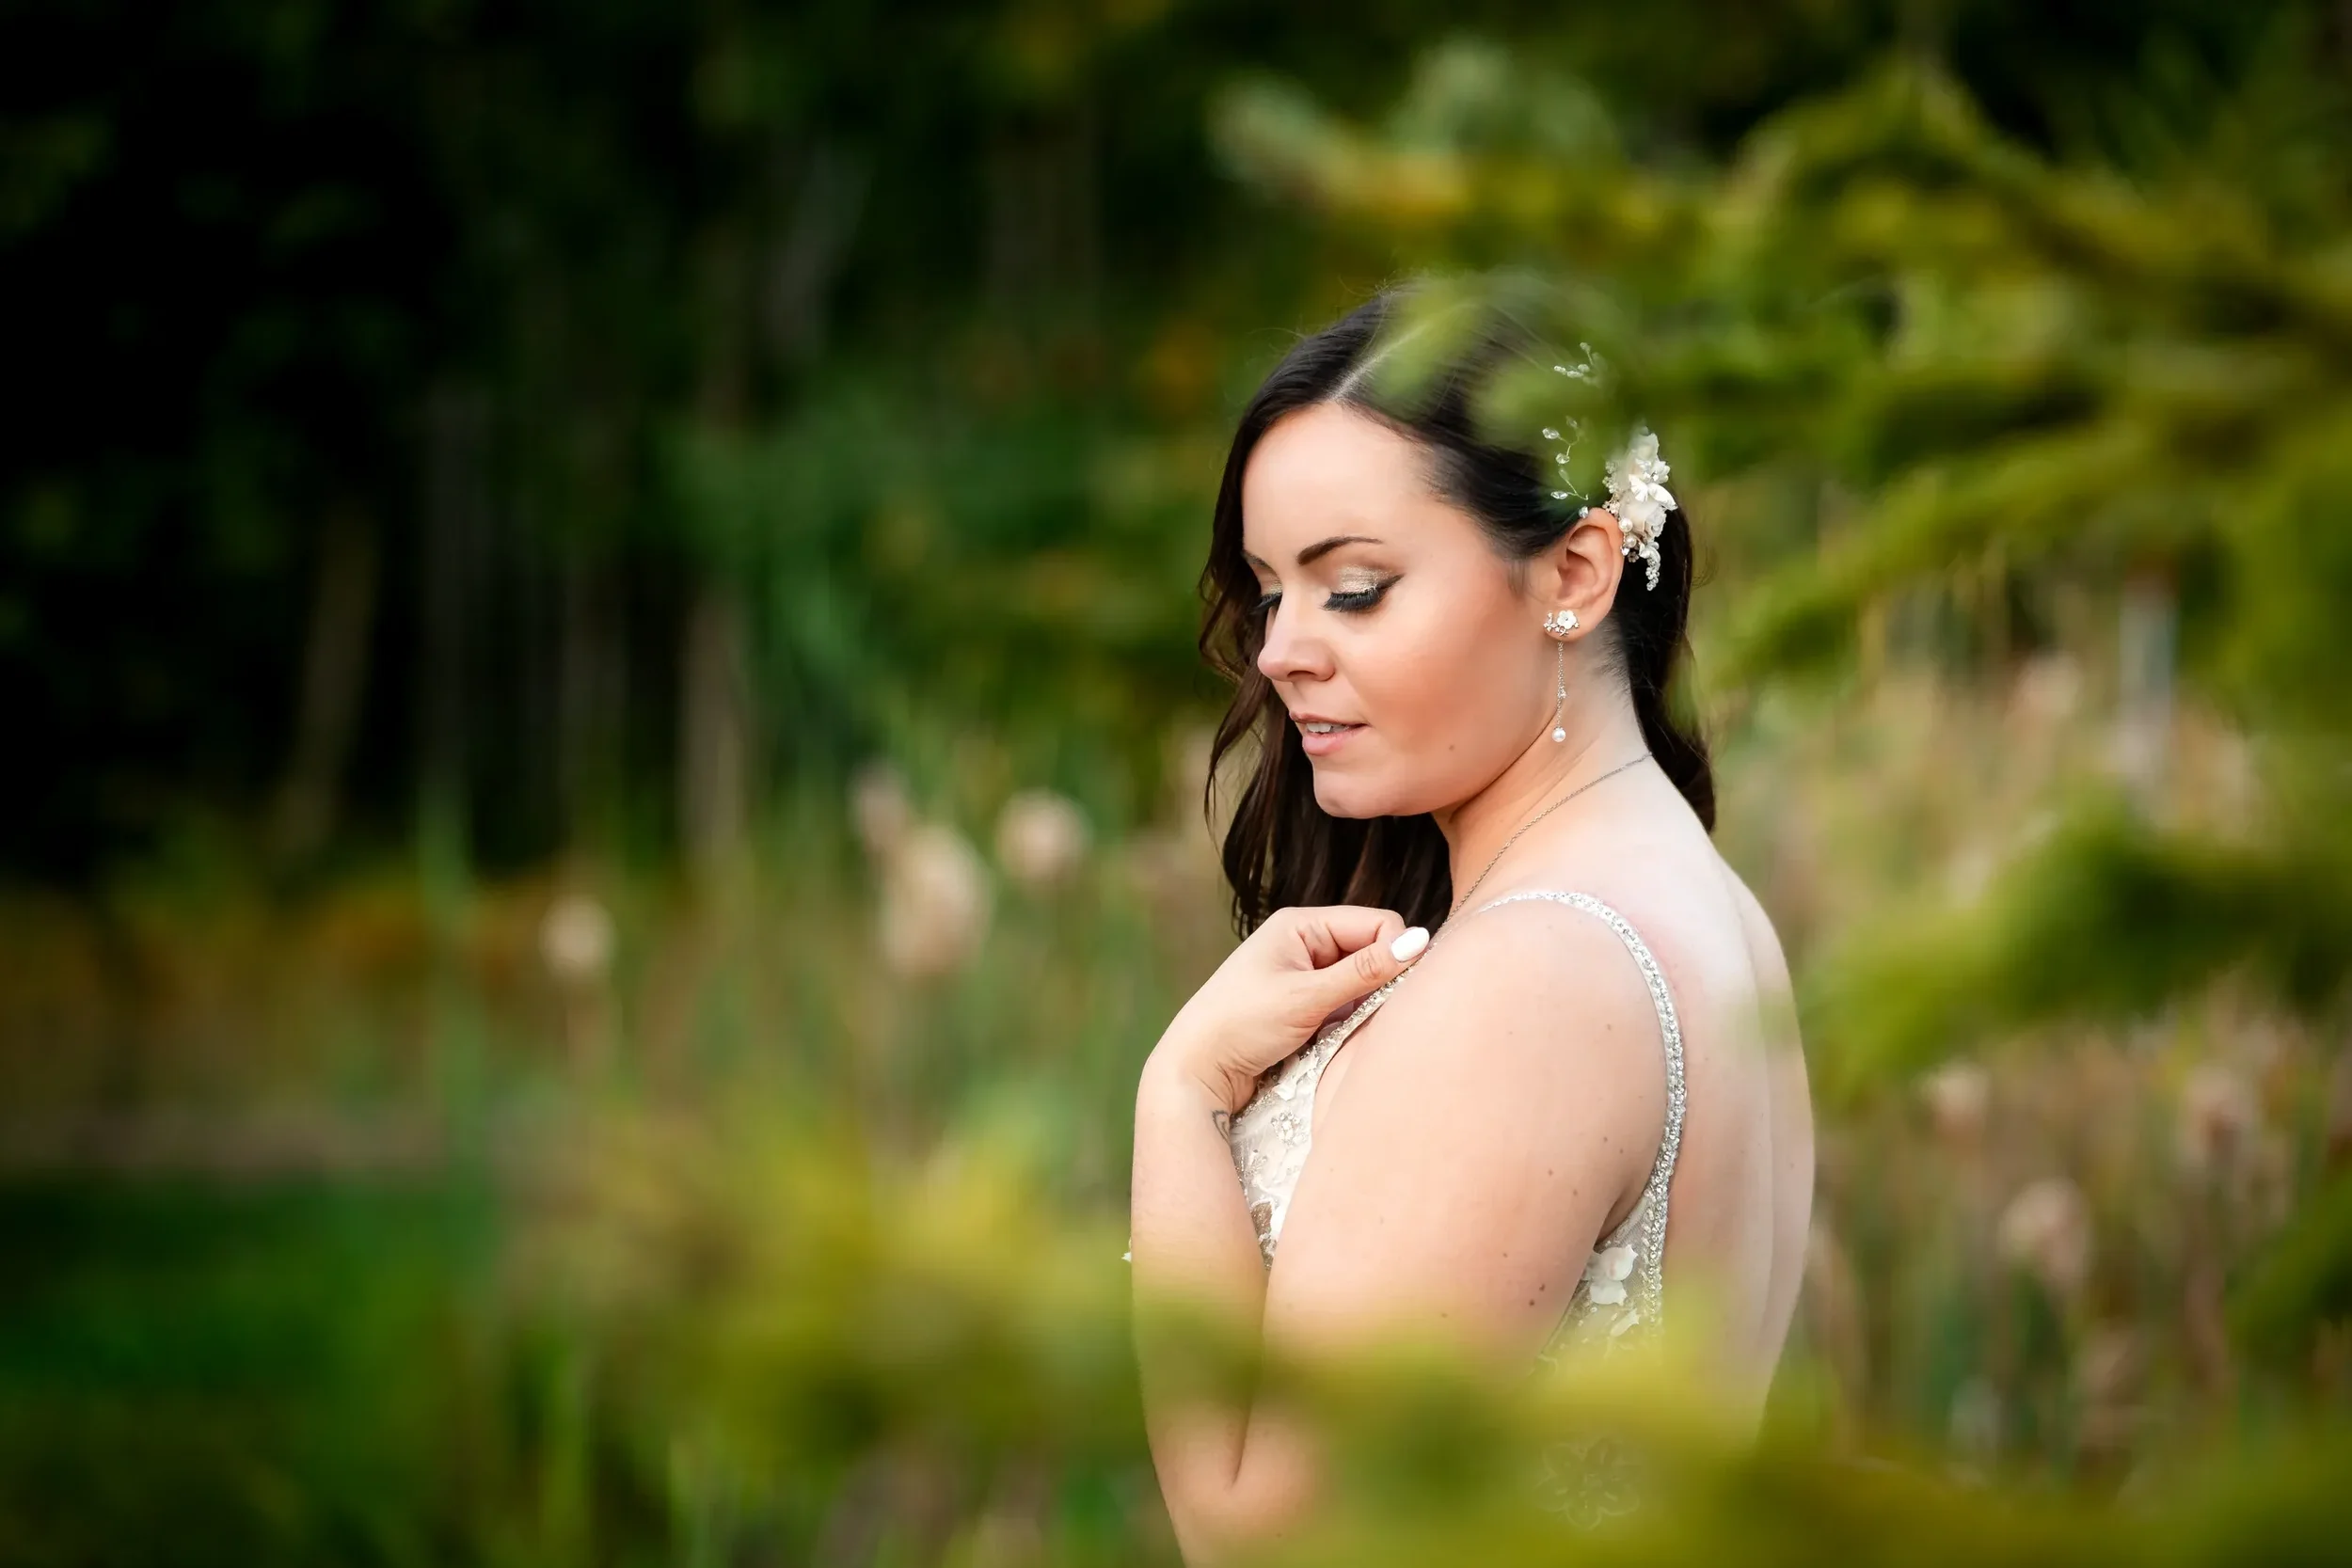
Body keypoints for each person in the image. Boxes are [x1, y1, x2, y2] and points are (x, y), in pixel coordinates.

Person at [1126, 281, 1816, 1560]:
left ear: (1575, 571)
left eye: (1358, 587)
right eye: (1272, 590)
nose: (1279, 650)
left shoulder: (1535, 977)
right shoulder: (1709, 910)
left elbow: (1265, 1544)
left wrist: (1179, 1099)